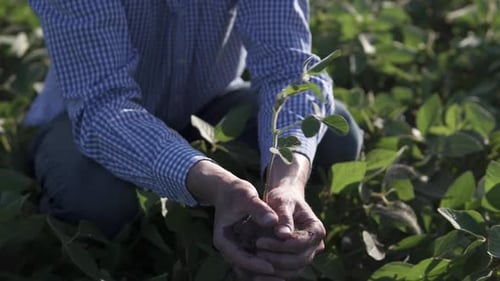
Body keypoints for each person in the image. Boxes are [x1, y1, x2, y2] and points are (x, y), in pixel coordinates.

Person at [26, 1, 363, 280]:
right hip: (85, 121)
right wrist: (217, 184)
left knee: (333, 137)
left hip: (208, 107)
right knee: (97, 199)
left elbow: (288, 68)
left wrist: (286, 184)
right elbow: (102, 105)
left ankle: (259, 219)